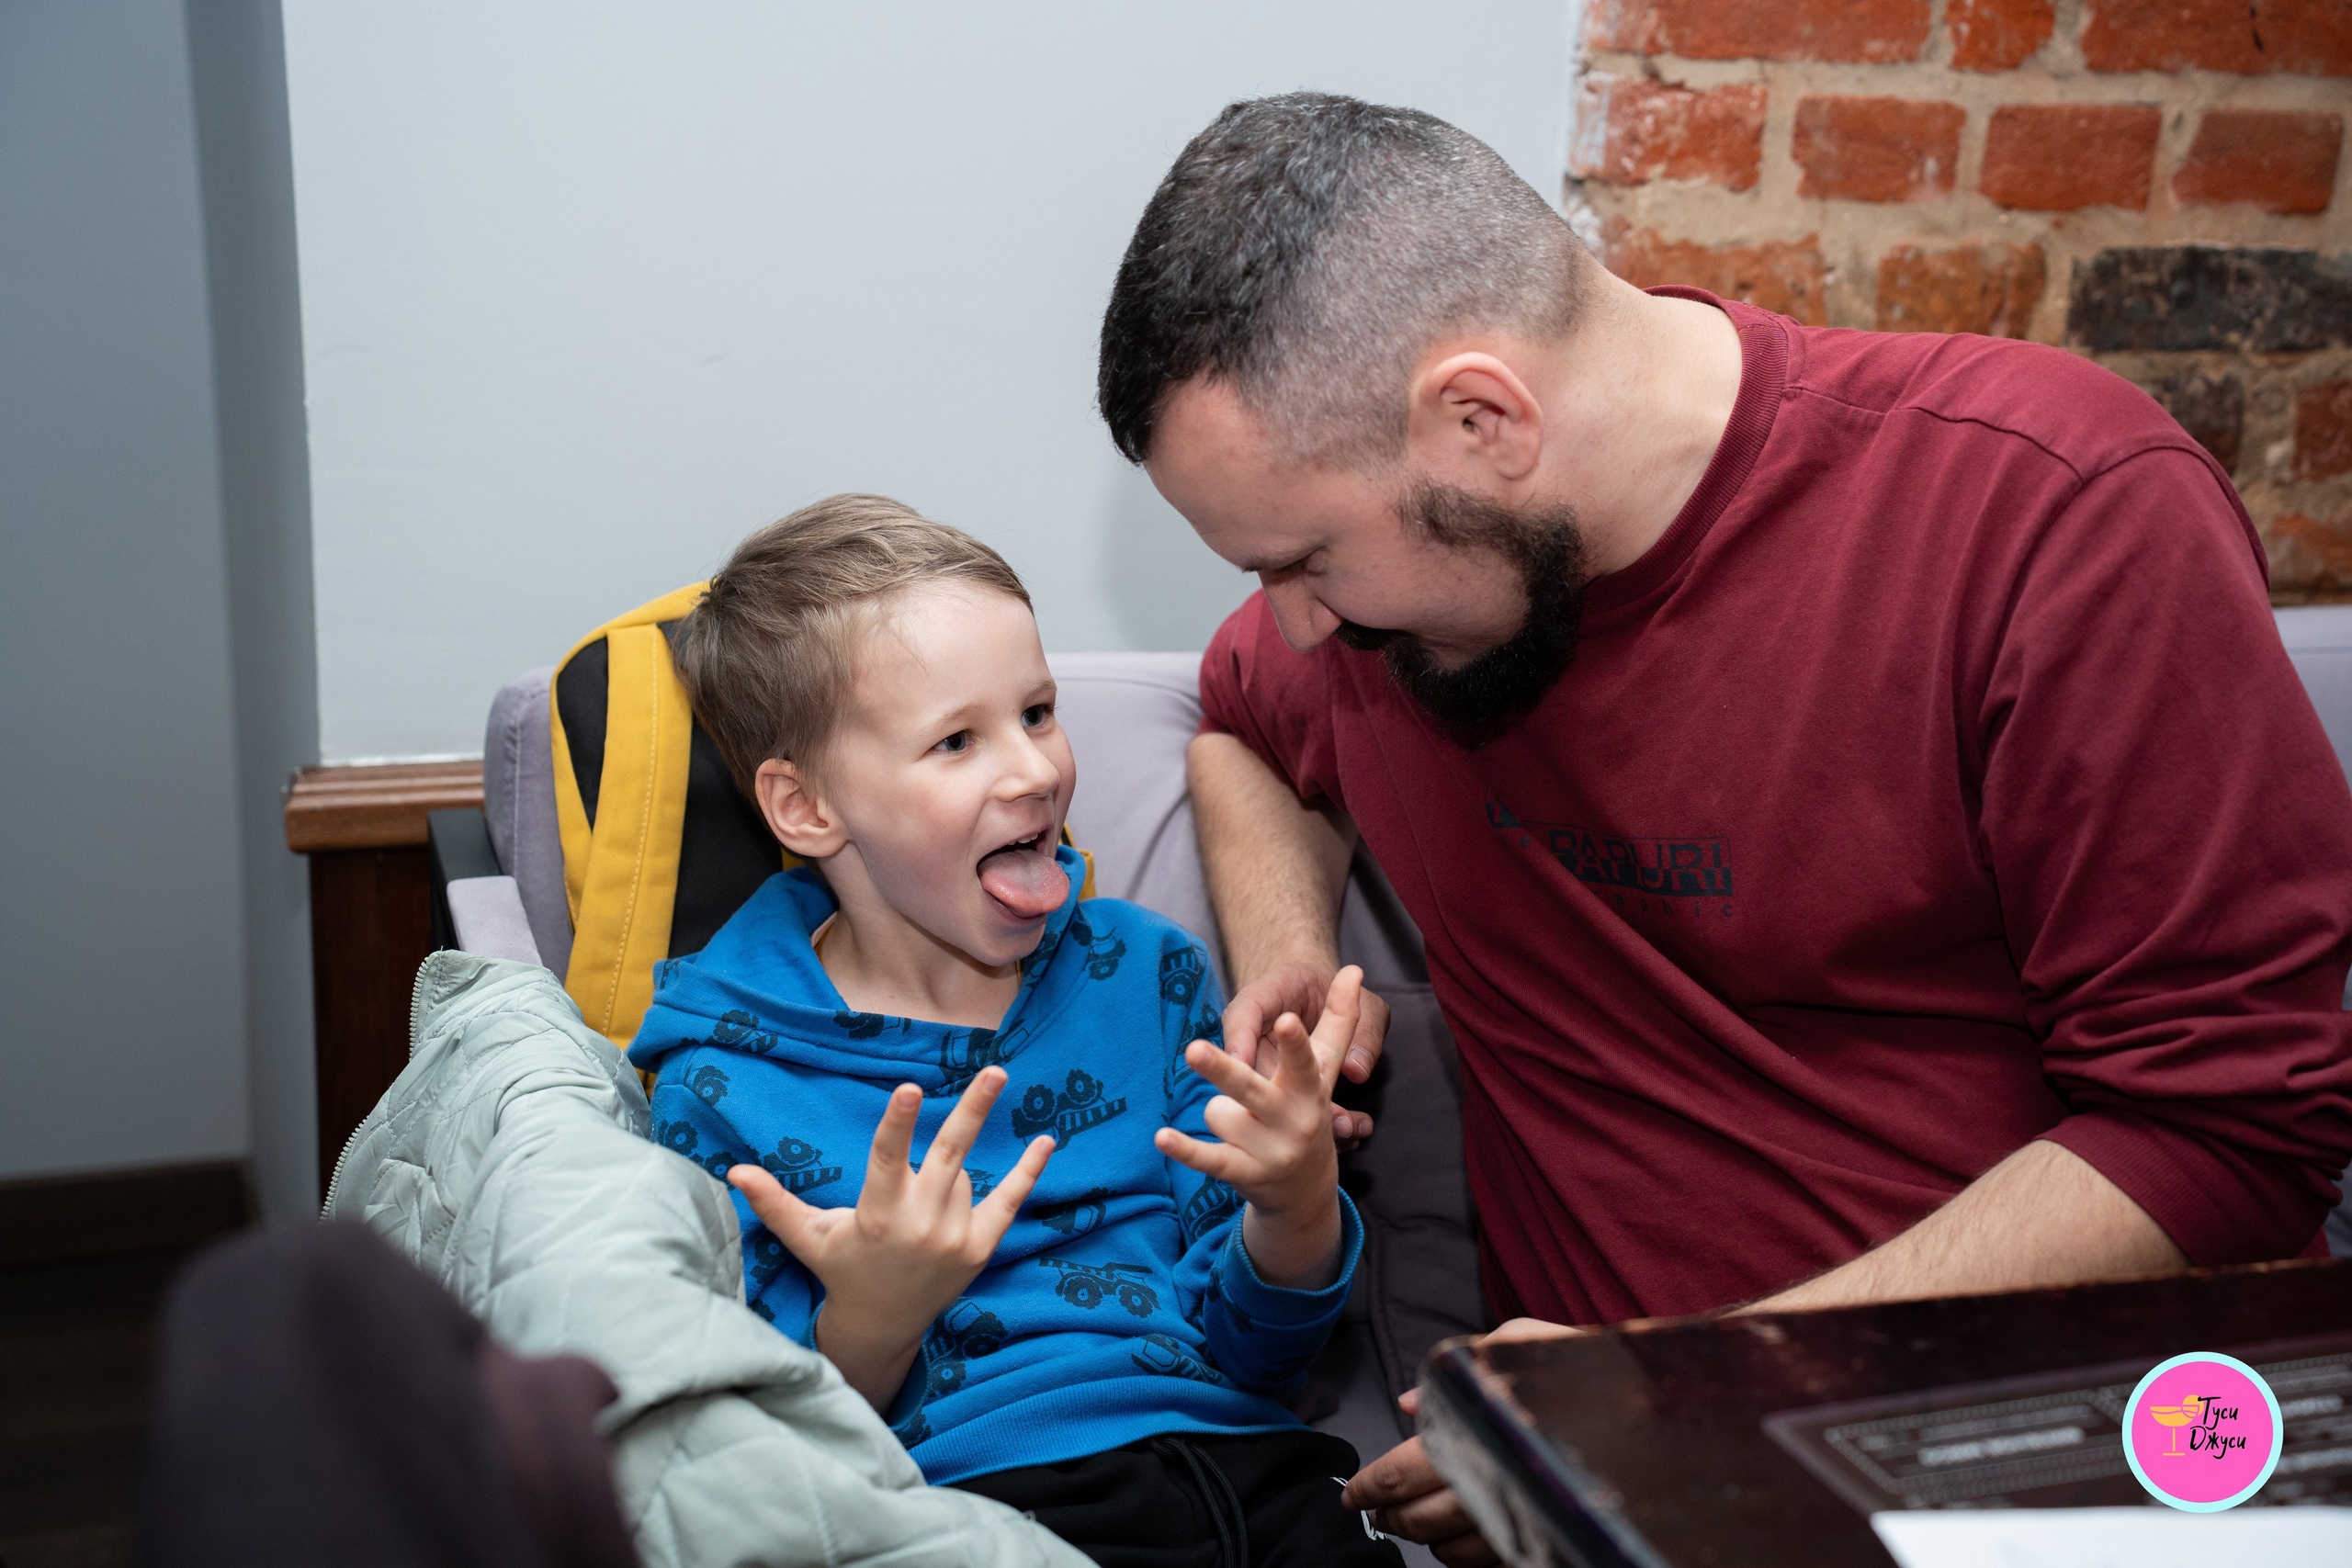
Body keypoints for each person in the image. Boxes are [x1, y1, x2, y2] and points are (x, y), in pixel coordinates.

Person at [1096, 93, 2352, 1562]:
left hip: (2052, 1454)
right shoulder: (1385, 631)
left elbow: (2225, 1126)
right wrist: (1294, 953)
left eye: (1307, 560)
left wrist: (1669, 1391)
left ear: (1482, 418)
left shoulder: (2051, 515)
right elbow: (1244, 730)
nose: (1291, 623)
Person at [626, 494, 1402, 1567]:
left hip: (1251, 1475)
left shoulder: (1144, 970)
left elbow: (1259, 1355)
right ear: (806, 809)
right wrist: (875, 1312)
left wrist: (1296, 1200)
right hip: (969, 1511)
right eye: (956, 740)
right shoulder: (718, 1076)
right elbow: (757, 1458)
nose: (1035, 771)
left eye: (1037, 712)